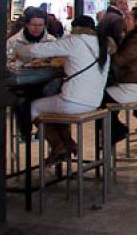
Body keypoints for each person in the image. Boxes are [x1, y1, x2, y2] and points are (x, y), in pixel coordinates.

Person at [16, 16, 115, 163]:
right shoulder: (102, 44)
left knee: (32, 107)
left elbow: (37, 50)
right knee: (52, 108)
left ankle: (58, 144)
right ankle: (67, 144)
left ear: (75, 28)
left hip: (73, 101)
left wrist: (20, 51)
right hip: (94, 101)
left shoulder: (75, 41)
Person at [104, 7, 137, 143]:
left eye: (128, 18)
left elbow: (120, 60)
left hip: (131, 87)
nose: (124, 21)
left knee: (98, 99)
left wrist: (110, 53)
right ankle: (113, 132)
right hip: (136, 85)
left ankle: (115, 132)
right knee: (102, 99)